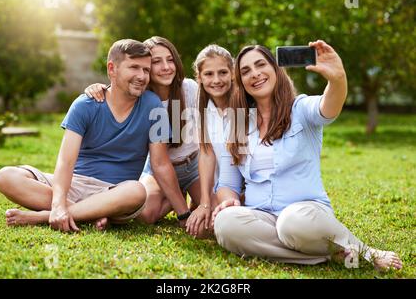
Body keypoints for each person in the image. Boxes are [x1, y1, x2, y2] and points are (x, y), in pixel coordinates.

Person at [211, 40, 403, 270]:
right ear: (240, 82)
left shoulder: (300, 109)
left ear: (275, 69)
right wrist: (228, 200)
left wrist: (337, 78)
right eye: (245, 71)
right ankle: (326, 254)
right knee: (225, 224)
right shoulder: (237, 123)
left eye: (261, 65)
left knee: (292, 223)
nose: (255, 74)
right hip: (262, 218)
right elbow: (227, 184)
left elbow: (328, 107)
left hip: (305, 214)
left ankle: (363, 251)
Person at [0, 38, 189, 232]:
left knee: (137, 191)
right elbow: (66, 161)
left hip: (115, 192)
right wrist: (58, 203)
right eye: (134, 67)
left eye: (146, 70)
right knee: (6, 176)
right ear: (112, 69)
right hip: (76, 184)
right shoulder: (85, 105)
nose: (142, 76)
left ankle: (45, 217)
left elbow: (160, 163)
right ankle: (92, 212)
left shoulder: (153, 105)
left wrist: (183, 214)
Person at [84, 36, 201, 229]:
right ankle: (176, 191)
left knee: (212, 210)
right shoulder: (140, 97)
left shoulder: (188, 88)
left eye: (170, 59)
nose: (166, 67)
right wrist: (97, 87)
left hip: (192, 165)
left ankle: (180, 192)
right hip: (158, 169)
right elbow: (116, 91)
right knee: (145, 214)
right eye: (156, 62)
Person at [185, 44, 236, 237]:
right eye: (208, 74)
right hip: (218, 189)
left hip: (243, 188)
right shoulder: (201, 108)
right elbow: (206, 154)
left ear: (232, 73)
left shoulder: (245, 106)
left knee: (224, 227)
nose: (216, 80)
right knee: (200, 230)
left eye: (223, 72)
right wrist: (205, 202)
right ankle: (202, 204)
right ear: (199, 77)